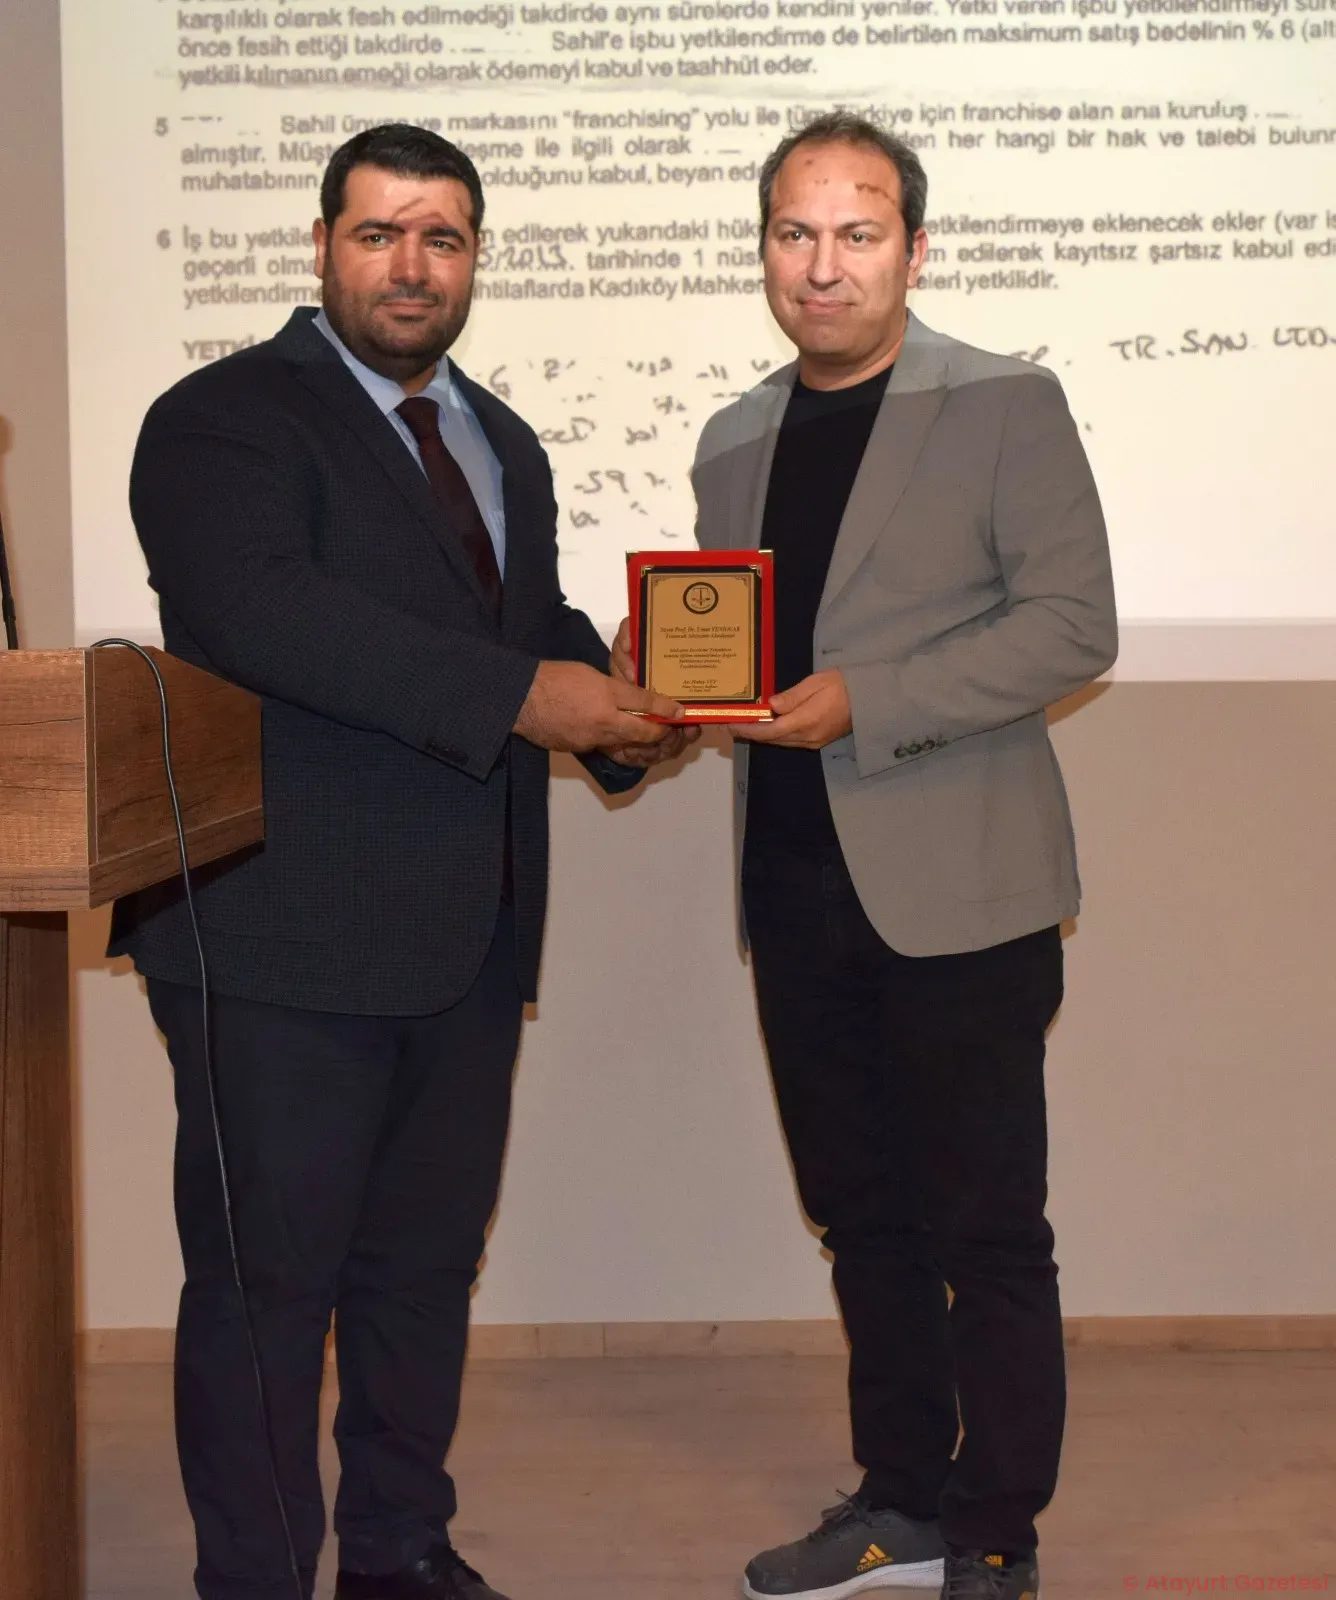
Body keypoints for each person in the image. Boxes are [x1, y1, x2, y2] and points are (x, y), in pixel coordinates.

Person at [112, 123, 690, 1600]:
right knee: (266, 1293)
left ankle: (397, 1553)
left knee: (424, 1273)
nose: (411, 266)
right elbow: (266, 617)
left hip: (468, 935)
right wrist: (524, 699)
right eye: (379, 234)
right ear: (322, 248)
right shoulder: (220, 421)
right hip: (273, 937)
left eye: (442, 237)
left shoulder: (503, 438)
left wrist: (626, 707)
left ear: (475, 258)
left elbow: (523, 629)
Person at [615, 112, 1117, 1600]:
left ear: (913, 248)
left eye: (857, 232)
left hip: (962, 888)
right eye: (795, 233)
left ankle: (999, 1527)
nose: (822, 265)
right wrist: (663, 676)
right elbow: (741, 651)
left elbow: (1072, 626)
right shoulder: (731, 439)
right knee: (863, 1222)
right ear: (764, 250)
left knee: (987, 1229)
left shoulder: (1007, 401)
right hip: (791, 885)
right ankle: (899, 1498)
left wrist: (868, 702)